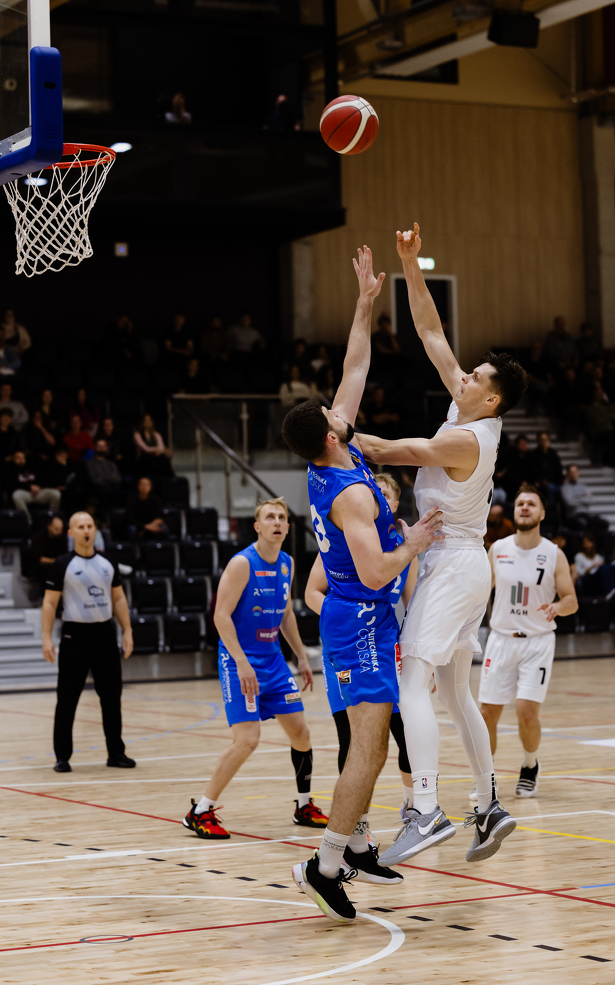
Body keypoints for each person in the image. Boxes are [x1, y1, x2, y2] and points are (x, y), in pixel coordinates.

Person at [357, 223, 528, 871]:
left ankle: (425, 808)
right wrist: (410, 266)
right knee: (456, 694)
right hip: (461, 563)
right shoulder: (471, 409)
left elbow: (396, 450)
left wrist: (339, 434)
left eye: (474, 375)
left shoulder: (464, 438)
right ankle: (489, 802)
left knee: (414, 679)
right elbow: (430, 332)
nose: (462, 373)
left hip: (453, 565)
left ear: (490, 396)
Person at [282, 244, 443, 923]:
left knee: (372, 747)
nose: (336, 408)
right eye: (328, 413)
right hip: (357, 618)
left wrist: (364, 301)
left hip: (366, 618)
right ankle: (323, 866)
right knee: (369, 746)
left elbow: (354, 366)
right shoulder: (347, 492)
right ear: (326, 437)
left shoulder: (336, 446)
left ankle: (349, 848)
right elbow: (377, 570)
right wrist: (415, 540)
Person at [183, 498, 328, 840]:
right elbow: (220, 616)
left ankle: (303, 805)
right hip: (240, 660)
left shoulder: (288, 562)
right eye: (270, 517)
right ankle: (200, 811)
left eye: (282, 517)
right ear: (257, 526)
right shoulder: (242, 563)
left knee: (301, 733)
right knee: (248, 740)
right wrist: (242, 662)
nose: (277, 522)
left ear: (288, 527)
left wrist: (301, 657)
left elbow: (286, 614)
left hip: (273, 660)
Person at [305, 473, 416, 792]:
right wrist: (348, 620)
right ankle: (358, 820)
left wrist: (419, 658)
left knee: (407, 735)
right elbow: (312, 593)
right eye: (372, 493)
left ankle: (413, 806)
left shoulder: (406, 551)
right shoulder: (342, 540)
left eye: (383, 495)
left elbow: (412, 609)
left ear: (394, 505)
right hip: (346, 646)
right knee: (351, 738)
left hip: (384, 649)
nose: (374, 499)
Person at [477, 486, 577, 799]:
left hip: (537, 642)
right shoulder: (498, 549)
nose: (524, 507)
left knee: (526, 713)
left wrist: (558, 607)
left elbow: (571, 600)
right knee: (486, 715)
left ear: (542, 513)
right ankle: (486, 779)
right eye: (520, 503)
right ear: (514, 510)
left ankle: (530, 765)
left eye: (531, 504)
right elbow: (480, 594)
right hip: (501, 639)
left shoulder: (554, 554)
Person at [41, 511, 135, 772]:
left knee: (111, 697)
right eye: (80, 526)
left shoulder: (108, 562)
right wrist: (46, 637)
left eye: (90, 526)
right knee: (67, 698)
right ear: (71, 533)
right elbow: (49, 603)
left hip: (105, 635)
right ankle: (62, 757)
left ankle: (116, 753)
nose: (86, 530)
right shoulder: (62, 564)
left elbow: (118, 598)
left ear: (95, 530)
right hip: (74, 636)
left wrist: (127, 630)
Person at [5, 450, 61, 521]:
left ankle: (51, 521)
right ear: (13, 459)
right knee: (16, 495)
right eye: (18, 458)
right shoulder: (11, 471)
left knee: (55, 494)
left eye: (23, 458)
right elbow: (12, 486)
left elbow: (43, 480)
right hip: (25, 493)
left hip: (38, 492)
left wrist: (38, 487)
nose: (21, 460)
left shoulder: (32, 468)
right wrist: (29, 487)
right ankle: (28, 522)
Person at [126, 476, 166, 541]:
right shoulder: (132, 500)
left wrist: (152, 525)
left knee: (164, 527)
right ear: (138, 486)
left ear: (150, 487)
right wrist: (145, 527)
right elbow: (129, 519)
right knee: (132, 529)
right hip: (138, 525)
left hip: (152, 525)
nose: (144, 487)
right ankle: (132, 547)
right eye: (142, 485)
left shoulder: (156, 499)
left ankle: (164, 546)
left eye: (147, 485)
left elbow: (160, 517)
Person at [528, 432, 563, 504]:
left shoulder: (553, 453)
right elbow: (533, 471)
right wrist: (540, 480)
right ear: (538, 442)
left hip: (554, 481)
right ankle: (550, 508)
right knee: (550, 488)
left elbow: (558, 469)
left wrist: (561, 480)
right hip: (541, 483)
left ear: (549, 441)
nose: (544, 442)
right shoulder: (534, 454)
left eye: (546, 439)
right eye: (542, 440)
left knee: (565, 489)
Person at [30, 515, 68, 580]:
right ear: (49, 527)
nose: (59, 532)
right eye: (56, 529)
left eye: (60, 529)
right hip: (41, 568)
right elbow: (39, 559)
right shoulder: (39, 537)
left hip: (58, 565)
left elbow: (65, 555)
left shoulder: (62, 537)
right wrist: (55, 561)